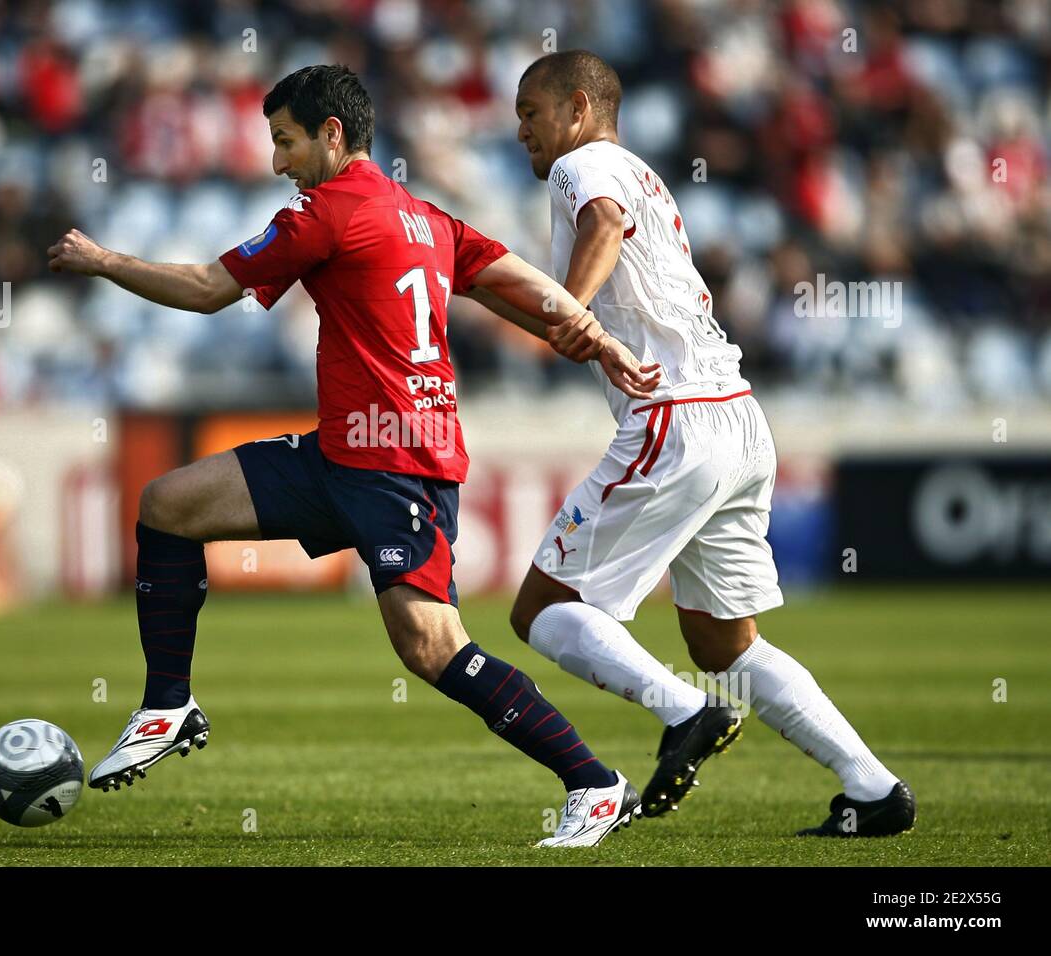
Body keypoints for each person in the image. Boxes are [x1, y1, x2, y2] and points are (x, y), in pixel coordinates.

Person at [47, 64, 661, 847]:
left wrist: (104, 261)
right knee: (167, 505)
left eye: (286, 141)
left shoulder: (324, 214)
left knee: (433, 648)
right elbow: (529, 288)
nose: (277, 162)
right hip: (344, 452)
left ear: (332, 134)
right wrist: (597, 336)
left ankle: (595, 783)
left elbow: (206, 287)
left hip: (397, 463)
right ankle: (168, 704)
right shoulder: (429, 219)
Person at [468, 50, 915, 838]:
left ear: (577, 108)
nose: (521, 133)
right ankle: (872, 789)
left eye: (530, 115)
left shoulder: (586, 165)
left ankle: (683, 715)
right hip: (738, 417)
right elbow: (575, 296)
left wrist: (569, 309)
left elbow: (601, 230)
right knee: (722, 640)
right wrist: (508, 298)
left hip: (674, 417)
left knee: (540, 611)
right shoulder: (643, 173)